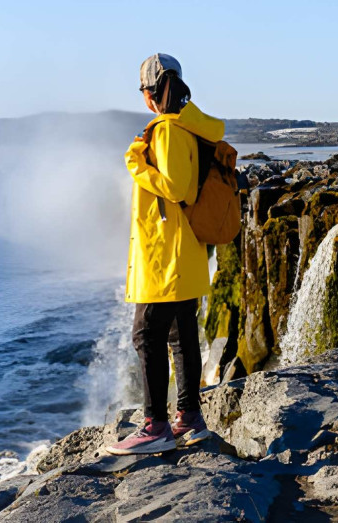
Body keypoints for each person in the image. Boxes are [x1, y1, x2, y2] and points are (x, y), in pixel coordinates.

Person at [107, 53, 225, 455]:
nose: (143, 95)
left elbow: (176, 188)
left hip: (166, 254)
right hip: (185, 249)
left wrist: (135, 164)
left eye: (143, 88)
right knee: (181, 334)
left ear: (152, 92)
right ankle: (189, 419)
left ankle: (155, 425)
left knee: (146, 335)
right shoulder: (189, 127)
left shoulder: (169, 130)